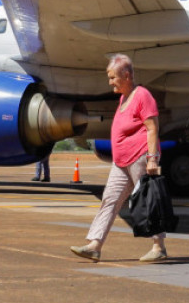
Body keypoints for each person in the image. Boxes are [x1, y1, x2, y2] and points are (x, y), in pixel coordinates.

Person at [71, 54, 168, 263]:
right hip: (121, 161)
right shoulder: (124, 97)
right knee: (110, 199)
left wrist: (152, 159)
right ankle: (95, 245)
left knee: (146, 200)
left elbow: (152, 128)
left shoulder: (142, 95)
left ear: (126, 75)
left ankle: (158, 246)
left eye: (113, 77)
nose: (110, 82)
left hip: (140, 157)